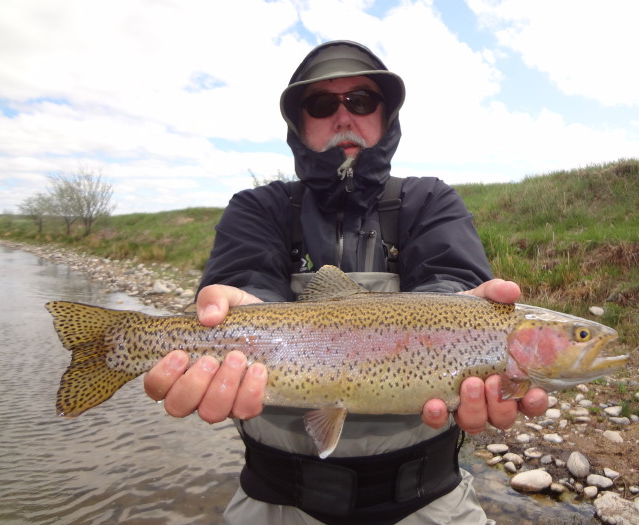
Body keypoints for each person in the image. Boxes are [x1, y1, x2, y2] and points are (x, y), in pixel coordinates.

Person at [144, 40, 548, 524]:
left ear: (386, 116)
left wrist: (462, 319)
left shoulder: (430, 201)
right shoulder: (259, 208)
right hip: (275, 500)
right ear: (299, 124)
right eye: (321, 104)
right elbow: (243, 281)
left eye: (361, 101)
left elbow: (452, 282)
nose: (343, 117)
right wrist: (228, 307)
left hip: (428, 500)